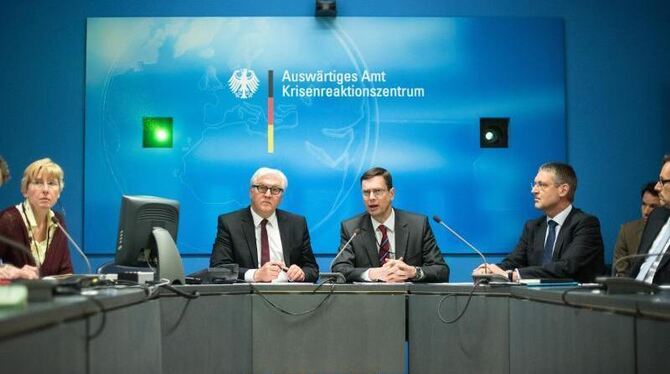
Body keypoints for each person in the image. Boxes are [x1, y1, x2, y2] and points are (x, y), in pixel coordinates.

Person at [472, 162, 604, 283]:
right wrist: (490, 270)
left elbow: (567, 267)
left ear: (563, 190)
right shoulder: (533, 227)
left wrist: (514, 275)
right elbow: (514, 261)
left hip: (574, 303)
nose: (534, 190)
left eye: (542, 185)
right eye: (534, 184)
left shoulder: (585, 224)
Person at [331, 167, 449, 283]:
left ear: (391, 194)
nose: (371, 197)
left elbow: (441, 270)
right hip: (367, 300)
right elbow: (339, 269)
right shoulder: (351, 228)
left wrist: (413, 272)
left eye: (377, 191)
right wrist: (372, 274)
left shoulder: (418, 225)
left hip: (409, 299)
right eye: (366, 192)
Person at [210, 167, 319, 282]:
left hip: (289, 294)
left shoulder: (297, 223)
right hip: (246, 296)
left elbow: (312, 269)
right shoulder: (230, 223)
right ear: (251, 192)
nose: (268, 195)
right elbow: (218, 269)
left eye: (275, 190)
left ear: (281, 197)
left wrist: (302, 273)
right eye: (262, 188)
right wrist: (255, 275)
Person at [0, 158, 73, 277]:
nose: (45, 190)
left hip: (51, 294)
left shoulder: (57, 222)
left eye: (51, 183)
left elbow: (65, 271)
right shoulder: (9, 220)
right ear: (25, 191)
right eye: (38, 182)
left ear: (59, 192)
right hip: (18, 294)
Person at [630, 155, 670, 284]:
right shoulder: (657, 216)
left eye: (662, 181)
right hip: (633, 294)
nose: (657, 187)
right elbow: (637, 267)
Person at [612, 182, 660, 275]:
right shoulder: (627, 232)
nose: (646, 211)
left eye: (653, 206)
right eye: (644, 204)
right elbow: (621, 273)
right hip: (632, 287)